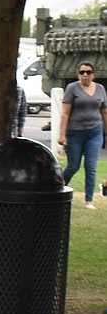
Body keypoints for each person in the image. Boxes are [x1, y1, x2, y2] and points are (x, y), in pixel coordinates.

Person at [58, 60, 107, 210]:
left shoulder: (100, 89)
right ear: (78, 74)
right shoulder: (72, 88)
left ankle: (89, 201)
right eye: (82, 72)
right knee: (73, 166)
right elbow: (65, 113)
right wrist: (62, 134)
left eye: (88, 72)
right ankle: (57, 189)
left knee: (91, 166)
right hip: (75, 133)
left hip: (94, 132)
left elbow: (104, 112)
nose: (85, 75)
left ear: (94, 75)